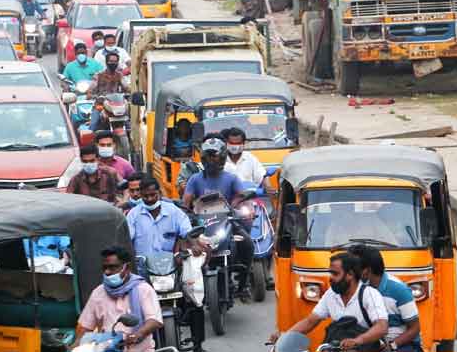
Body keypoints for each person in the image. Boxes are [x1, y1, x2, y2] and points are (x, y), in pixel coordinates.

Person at [127, 178, 208, 352]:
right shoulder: (133, 215)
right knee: (133, 307)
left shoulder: (173, 212)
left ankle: (198, 344)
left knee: (194, 299)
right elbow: (127, 240)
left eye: (153, 195)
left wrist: (193, 244)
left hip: (172, 268)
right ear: (140, 195)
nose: (149, 199)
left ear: (159, 194)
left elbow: (187, 232)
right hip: (144, 272)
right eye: (145, 196)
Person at [268, 252, 388, 351]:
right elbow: (310, 321)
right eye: (330, 273)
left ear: (350, 274)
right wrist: (286, 336)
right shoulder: (331, 294)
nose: (330, 278)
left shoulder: (369, 294)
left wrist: (357, 341)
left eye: (335, 274)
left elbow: (382, 327)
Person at [182, 135, 253, 296]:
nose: (211, 160)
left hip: (226, 222)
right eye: (208, 156)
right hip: (202, 225)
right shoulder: (195, 179)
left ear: (221, 158)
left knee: (248, 244)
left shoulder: (231, 178)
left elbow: (242, 197)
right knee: (184, 249)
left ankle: (244, 282)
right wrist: (186, 211)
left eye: (214, 156)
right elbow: (186, 201)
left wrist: (244, 208)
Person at [74, 246, 163, 352]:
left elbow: (154, 320)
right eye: (104, 268)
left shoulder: (143, 289)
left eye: (112, 267)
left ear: (127, 267)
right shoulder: (98, 292)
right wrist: (75, 346)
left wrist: (138, 334)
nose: (107, 272)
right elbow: (85, 326)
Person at [348, 245, 422, 352]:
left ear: (366, 271)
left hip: (401, 346)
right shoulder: (358, 288)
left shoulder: (399, 290)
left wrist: (392, 345)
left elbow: (414, 328)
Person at [88, 53, 128, 132]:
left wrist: (130, 92)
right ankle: (90, 143)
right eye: (111, 61)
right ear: (106, 62)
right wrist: (91, 94)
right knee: (93, 124)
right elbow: (91, 90)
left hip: (116, 105)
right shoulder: (99, 75)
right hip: (101, 105)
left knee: (129, 123)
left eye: (115, 61)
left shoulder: (119, 75)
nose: (113, 63)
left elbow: (126, 87)